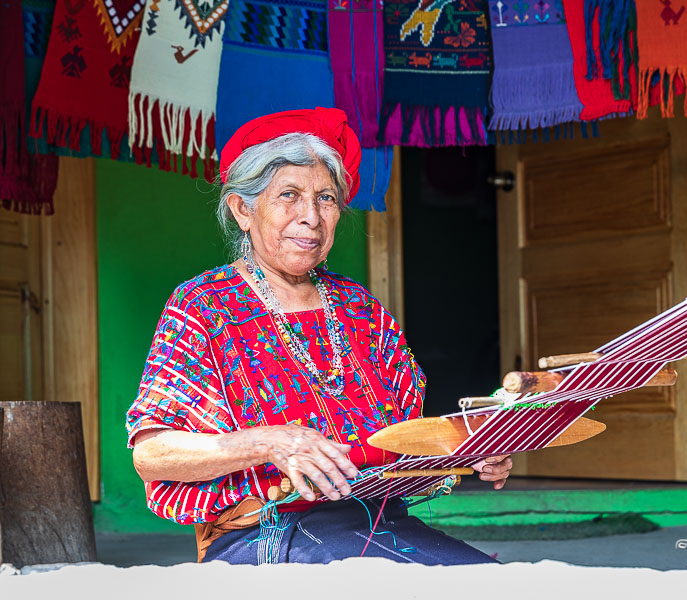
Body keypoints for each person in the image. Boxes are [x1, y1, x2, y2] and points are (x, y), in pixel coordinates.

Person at [126, 108, 512, 565]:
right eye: (288, 195)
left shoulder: (360, 309)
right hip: (265, 533)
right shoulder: (203, 307)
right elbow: (153, 454)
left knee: (491, 582)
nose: (311, 216)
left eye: (326, 198)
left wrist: (470, 450)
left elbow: (401, 442)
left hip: (379, 523)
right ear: (243, 209)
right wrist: (271, 442)